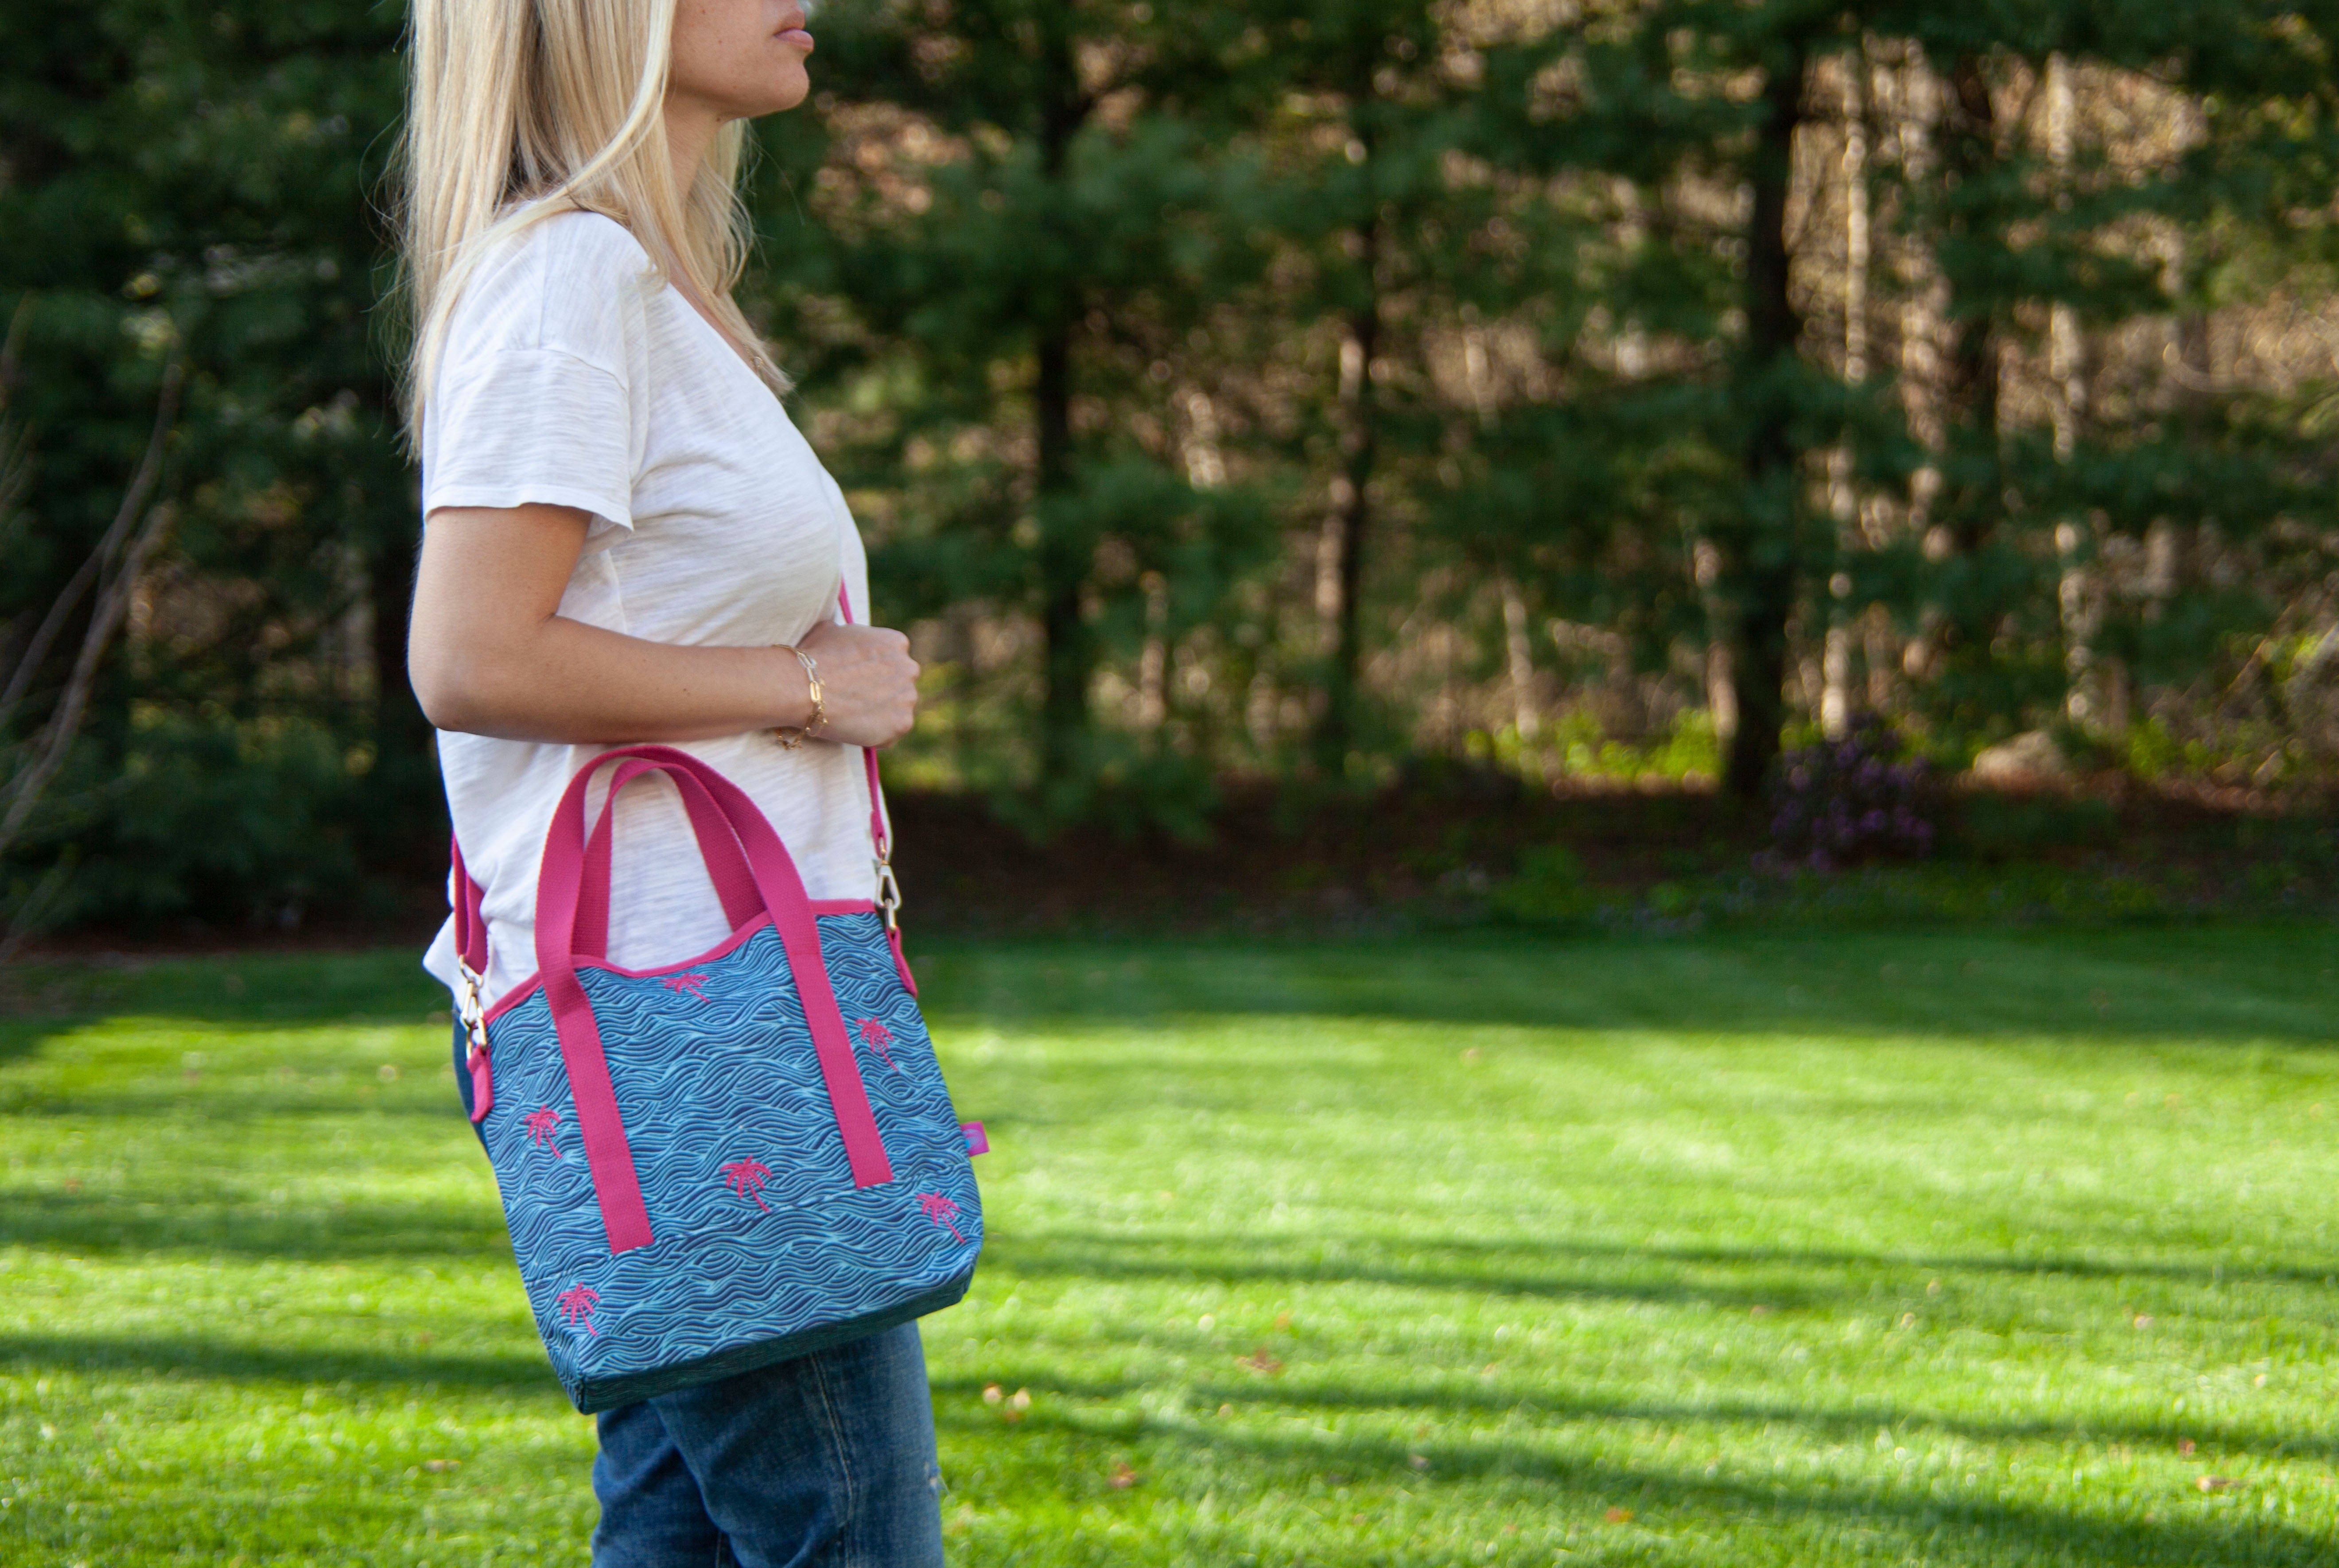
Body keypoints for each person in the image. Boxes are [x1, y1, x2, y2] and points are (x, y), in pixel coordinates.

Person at [396, 0, 944, 1561]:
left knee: (682, 1540)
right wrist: (806, 683)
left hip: (696, 1016)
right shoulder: (568, 278)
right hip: (680, 1041)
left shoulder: (640, 286)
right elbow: (471, 653)